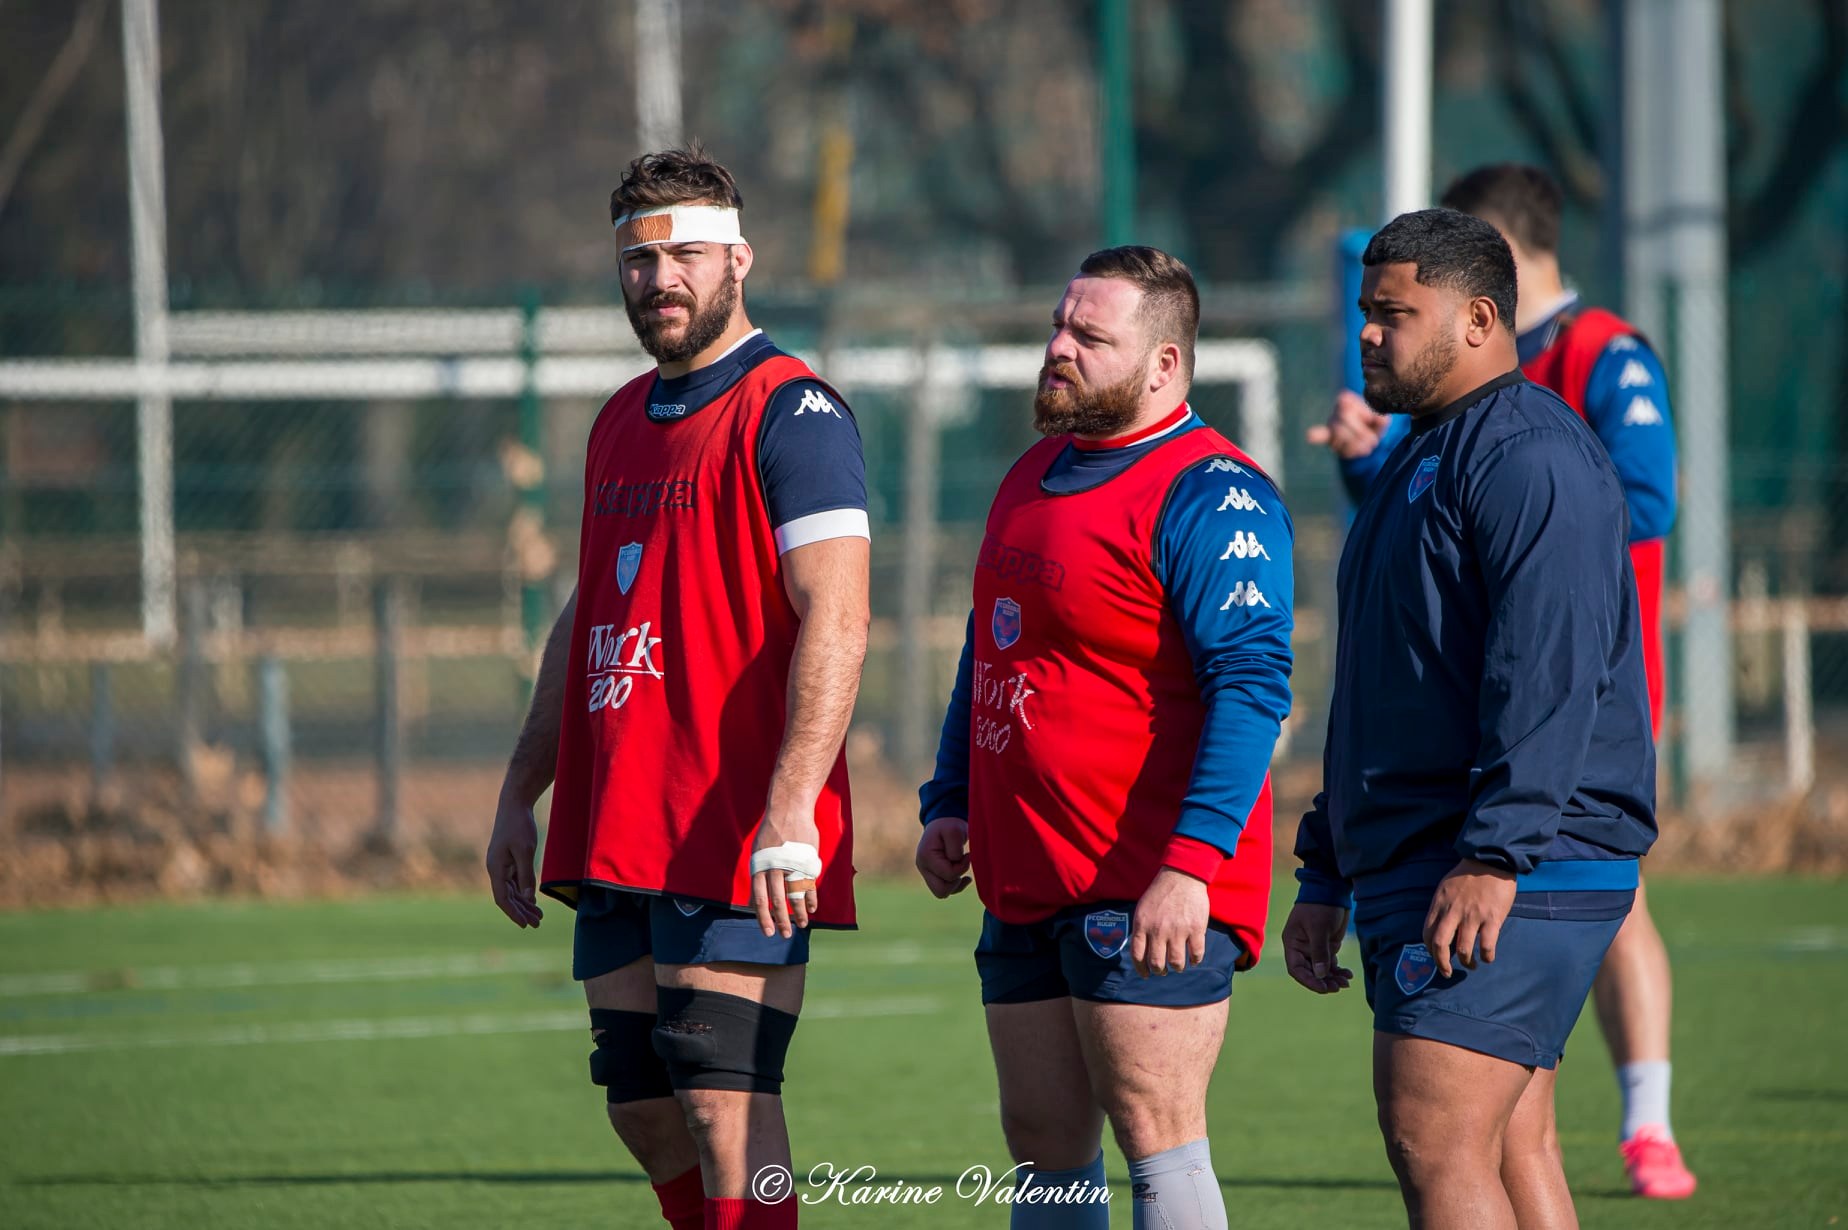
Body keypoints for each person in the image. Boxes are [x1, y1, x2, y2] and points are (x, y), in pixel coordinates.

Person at [484, 145, 870, 1230]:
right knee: (644, 1107)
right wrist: (521, 789)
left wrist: (791, 808)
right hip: (620, 819)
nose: (660, 281)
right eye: (638, 262)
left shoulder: (794, 412)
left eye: (686, 255)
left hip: (733, 821)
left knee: (722, 1099)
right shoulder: (617, 419)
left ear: (739, 260)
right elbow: (588, 615)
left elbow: (840, 616)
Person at [1308, 162, 1692, 1200]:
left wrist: (1495, 852)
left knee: (1435, 1139)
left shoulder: (1530, 454)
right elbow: (1383, 683)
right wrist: (1325, 864)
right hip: (1441, 849)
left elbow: (1548, 672)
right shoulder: (1422, 454)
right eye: (1366, 312)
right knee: (1516, 1146)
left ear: (1480, 319)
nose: (1368, 335)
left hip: (1511, 860)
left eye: (1394, 314)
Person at [916, 246, 1293, 1230]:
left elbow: (1253, 688)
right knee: (1043, 1144)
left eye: (1089, 335)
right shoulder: (1032, 472)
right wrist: (950, 798)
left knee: (1157, 1135)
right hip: (1025, 877)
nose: (1058, 348)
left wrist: (1192, 865)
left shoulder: (1214, 493)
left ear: (1164, 364)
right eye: (1058, 325)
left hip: (1146, 883)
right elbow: (991, 650)